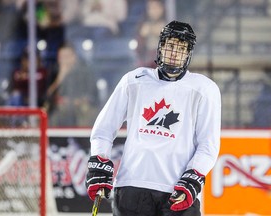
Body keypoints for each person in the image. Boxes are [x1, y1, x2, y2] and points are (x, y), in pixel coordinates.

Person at [85, 20, 221, 216]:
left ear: (188, 54)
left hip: (177, 192)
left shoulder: (204, 89)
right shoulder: (134, 80)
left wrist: (194, 176)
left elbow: (209, 145)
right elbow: (103, 130)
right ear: (161, 47)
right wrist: (100, 161)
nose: (175, 52)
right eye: (171, 46)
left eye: (181, 48)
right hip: (131, 188)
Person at [45, 44, 98, 127]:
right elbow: (47, 96)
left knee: (86, 111)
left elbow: (92, 94)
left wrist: (79, 100)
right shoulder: (54, 71)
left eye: (67, 56)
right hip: (60, 109)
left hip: (80, 107)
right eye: (62, 57)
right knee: (53, 114)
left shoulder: (84, 71)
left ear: (74, 57)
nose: (65, 60)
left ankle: (83, 138)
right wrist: (60, 77)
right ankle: (55, 139)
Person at [137, 0, 166, 67]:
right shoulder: (142, 23)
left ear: (162, 8)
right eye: (151, 8)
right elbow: (138, 47)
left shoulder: (169, 21)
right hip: (147, 60)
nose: (154, 11)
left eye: (156, 7)